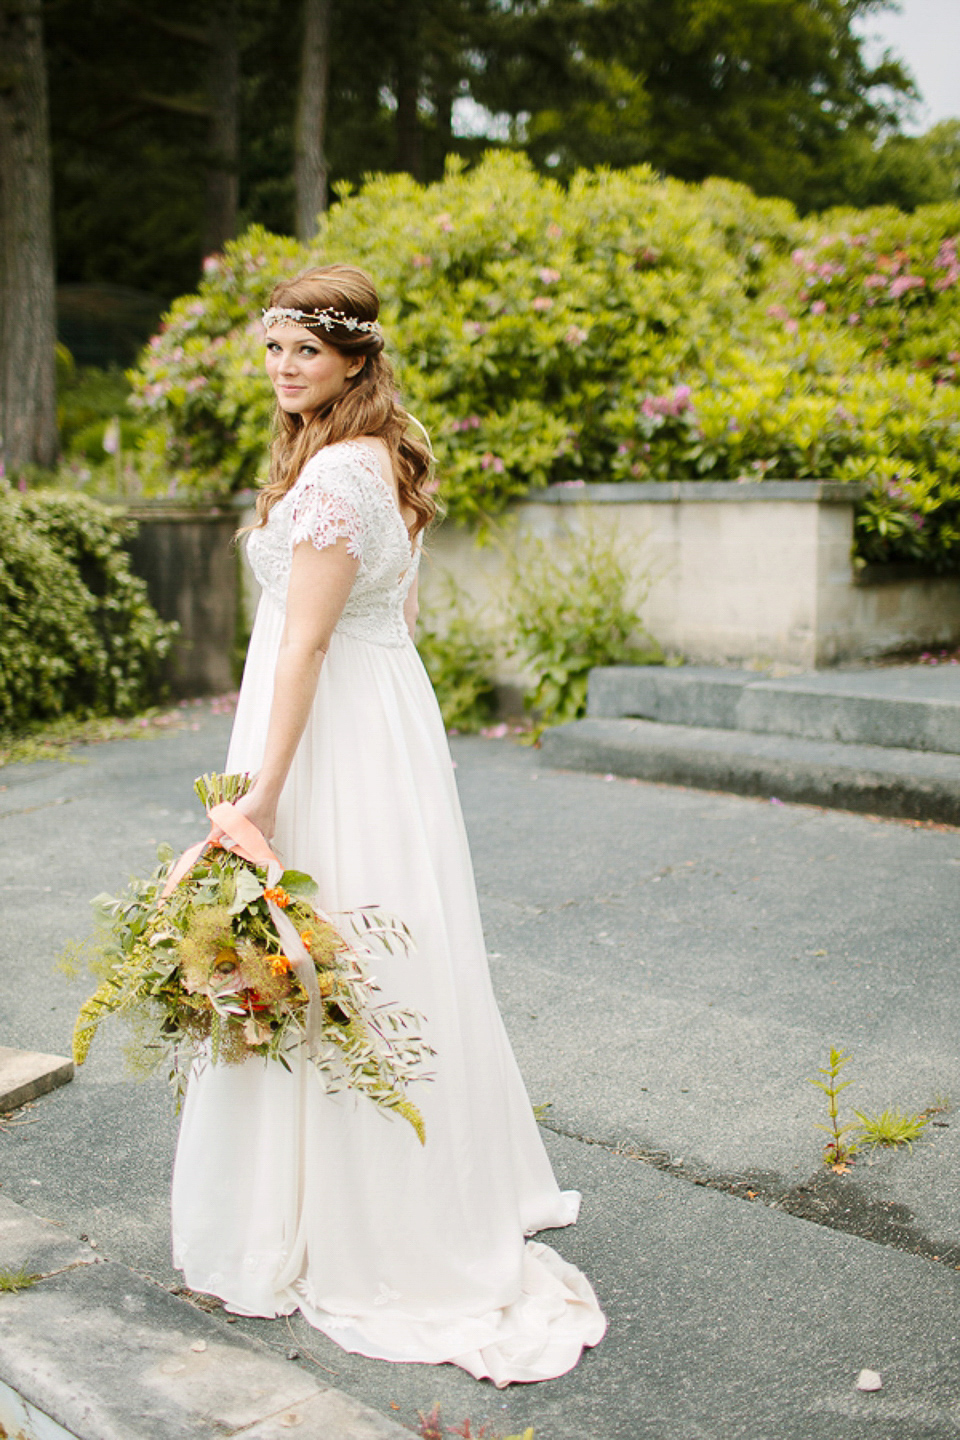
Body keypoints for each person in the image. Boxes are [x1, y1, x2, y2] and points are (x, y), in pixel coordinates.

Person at [171, 264, 606, 1386]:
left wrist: (261, 794)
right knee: (374, 942)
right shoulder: (377, 460)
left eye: (305, 352)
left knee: (334, 943)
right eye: (272, 349)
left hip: (326, 737)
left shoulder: (335, 479)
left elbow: (306, 644)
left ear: (356, 358)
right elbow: (393, 615)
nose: (282, 369)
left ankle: (357, 1217)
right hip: (381, 722)